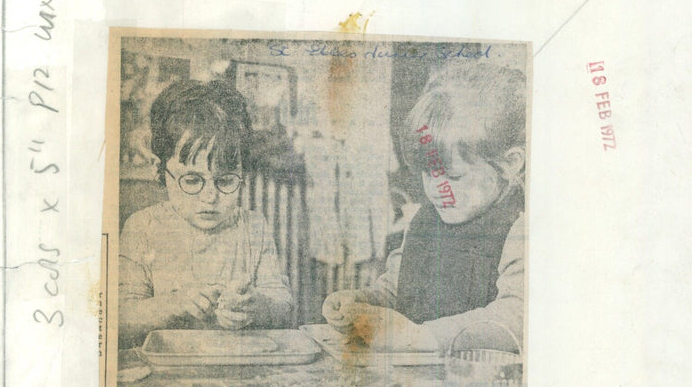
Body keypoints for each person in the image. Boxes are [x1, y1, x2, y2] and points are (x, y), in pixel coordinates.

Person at [322, 62, 526, 353]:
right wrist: (362, 302)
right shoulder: (424, 219)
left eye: (454, 176)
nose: (437, 189)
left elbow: (515, 319)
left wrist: (420, 337)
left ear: (509, 164)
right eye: (428, 172)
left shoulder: (520, 229)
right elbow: (398, 288)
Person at [118, 81, 292, 348]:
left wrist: (258, 306)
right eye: (191, 181)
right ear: (160, 170)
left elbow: (284, 307)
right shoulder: (142, 228)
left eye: (225, 181)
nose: (210, 196)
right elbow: (119, 321)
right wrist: (172, 304)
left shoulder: (254, 227)